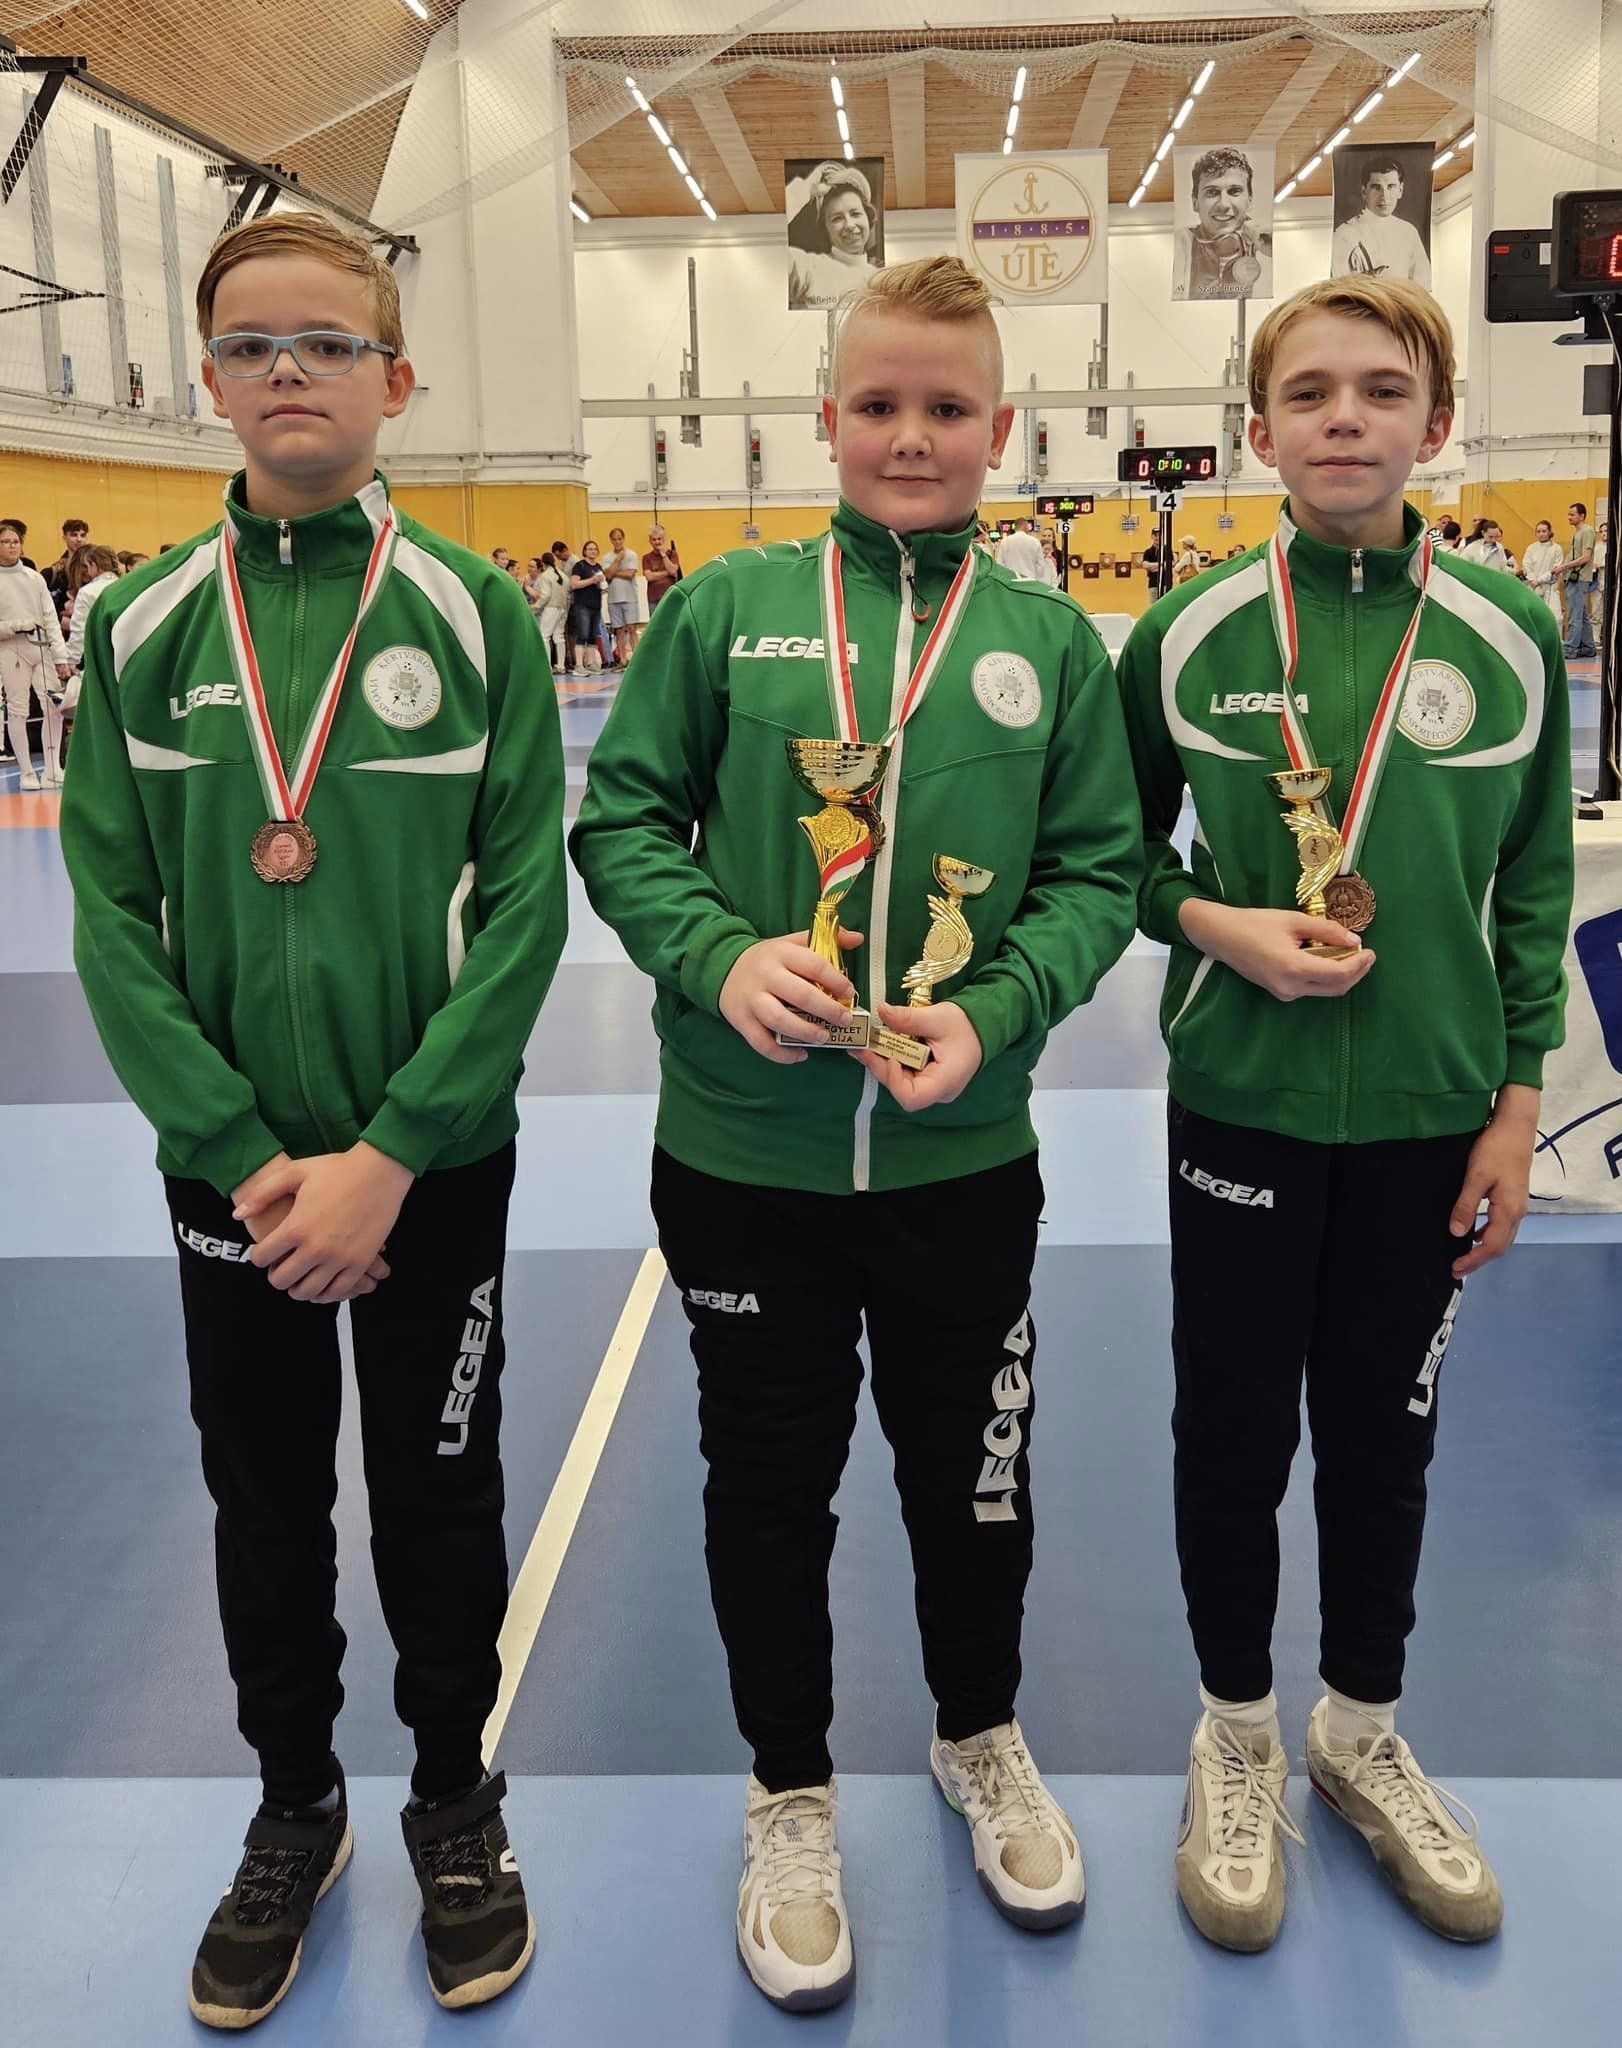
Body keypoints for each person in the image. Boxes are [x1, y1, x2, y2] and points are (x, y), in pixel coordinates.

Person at [572, 254, 1141, 2014]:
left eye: (945, 407)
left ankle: (978, 1734)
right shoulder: (723, 612)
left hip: (960, 1163)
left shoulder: (1049, 644)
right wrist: (716, 953)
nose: (911, 434)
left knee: (975, 1478)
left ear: (1000, 430)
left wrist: (1002, 1006)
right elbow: (623, 825)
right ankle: (789, 1791)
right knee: (767, 1487)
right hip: (745, 1164)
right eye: (879, 403)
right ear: (823, 418)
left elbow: (1099, 870)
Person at [59, 210, 568, 2029]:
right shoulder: (136, 628)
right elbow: (110, 914)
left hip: (431, 1169)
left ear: (395, 380)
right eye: (254, 344)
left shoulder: (476, 615)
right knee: (261, 1497)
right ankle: (295, 1804)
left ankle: (452, 1795)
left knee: (441, 1494)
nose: (291, 370)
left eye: (330, 343)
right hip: (240, 1179)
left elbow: (528, 911)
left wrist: (396, 1149)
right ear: (207, 379)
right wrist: (236, 1148)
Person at [1116, 276, 1571, 1957]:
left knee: (1385, 1443)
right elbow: (1106, 863)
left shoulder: (1508, 634)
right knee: (1232, 1437)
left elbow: (1533, 889)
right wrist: (1213, 926)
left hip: (1431, 1121)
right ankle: (1235, 1733)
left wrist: (1515, 1108)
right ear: (1258, 430)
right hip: (1239, 1108)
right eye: (1307, 392)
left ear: (1434, 424)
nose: (1343, 418)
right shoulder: (1185, 637)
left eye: (1379, 390)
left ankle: (1358, 1729)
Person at [0, 516, 71, 786]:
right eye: (5, 542)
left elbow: (51, 618)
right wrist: (15, 626)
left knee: (53, 707)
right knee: (18, 710)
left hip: (41, 648)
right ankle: (27, 772)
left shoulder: (34, 578)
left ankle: (52, 768)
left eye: (15, 541)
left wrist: (61, 656)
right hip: (10, 649)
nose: (12, 546)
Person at [1172, 147, 1272, 301]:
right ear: (1195, 203)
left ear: (1250, 200)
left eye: (1234, 191)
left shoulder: (1266, 247)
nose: (1223, 204)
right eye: (1212, 192)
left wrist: (1272, 251)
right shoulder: (1179, 245)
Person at [786, 160, 882, 309]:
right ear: (826, 229)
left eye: (855, 214)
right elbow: (771, 254)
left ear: (868, 218)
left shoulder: (882, 280)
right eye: (837, 218)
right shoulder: (809, 268)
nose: (849, 225)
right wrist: (806, 188)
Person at [1331, 158, 1431, 288]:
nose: (1384, 196)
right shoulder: (1344, 235)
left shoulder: (1408, 231)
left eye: (1391, 186)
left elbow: (1423, 284)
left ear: (1400, 190)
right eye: (1376, 187)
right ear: (1364, 192)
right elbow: (1338, 289)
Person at [1561, 500, 1597, 658]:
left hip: (1579, 578)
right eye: (1569, 514)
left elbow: (1585, 557)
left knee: (1574, 616)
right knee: (1582, 615)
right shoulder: (1578, 533)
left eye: (1572, 514)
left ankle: (1570, 649)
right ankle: (1589, 647)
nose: (1569, 517)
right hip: (1574, 577)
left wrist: (1564, 567)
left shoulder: (1587, 532)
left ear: (1582, 516)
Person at [601, 525, 641, 665]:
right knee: (619, 630)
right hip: (613, 599)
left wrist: (614, 572)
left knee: (632, 628)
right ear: (611, 540)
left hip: (630, 597)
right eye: (614, 539)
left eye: (619, 539)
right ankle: (623, 660)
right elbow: (607, 575)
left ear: (623, 539)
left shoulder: (631, 555)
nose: (617, 542)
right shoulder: (607, 557)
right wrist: (618, 560)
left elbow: (630, 574)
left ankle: (636, 660)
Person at [568, 538, 607, 673]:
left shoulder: (598, 567)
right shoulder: (580, 566)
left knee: (592, 636)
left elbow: (599, 584)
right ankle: (579, 665)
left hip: (596, 605)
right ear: (584, 551)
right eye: (590, 549)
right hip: (582, 605)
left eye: (595, 549)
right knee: (582, 634)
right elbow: (574, 584)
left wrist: (602, 586)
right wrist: (592, 580)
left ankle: (590, 664)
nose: (593, 551)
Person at [534, 541, 572, 672]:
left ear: (543, 563)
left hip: (551, 608)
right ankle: (561, 666)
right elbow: (568, 595)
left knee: (544, 636)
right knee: (559, 637)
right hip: (562, 608)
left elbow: (545, 596)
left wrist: (535, 606)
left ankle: (547, 666)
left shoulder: (545, 576)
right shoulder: (563, 575)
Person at [1521, 517, 1565, 627]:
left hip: (1550, 587)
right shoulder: (1531, 548)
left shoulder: (1557, 548)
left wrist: (1540, 580)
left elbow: (1556, 568)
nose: (1541, 534)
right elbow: (1527, 565)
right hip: (1534, 586)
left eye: (1544, 531)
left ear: (1549, 532)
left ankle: (1556, 638)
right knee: (1534, 618)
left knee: (1556, 618)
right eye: (1538, 531)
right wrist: (1533, 580)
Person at [643, 525, 681, 610]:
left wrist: (664, 555)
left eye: (659, 539)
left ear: (663, 540)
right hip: (653, 599)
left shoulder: (672, 554)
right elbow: (649, 577)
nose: (657, 542)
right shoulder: (646, 558)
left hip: (670, 596)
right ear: (650, 541)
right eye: (654, 539)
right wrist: (667, 573)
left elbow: (673, 571)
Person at [997, 516, 1045, 580]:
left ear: (1015, 527)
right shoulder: (1035, 541)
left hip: (1011, 580)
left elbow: (999, 564)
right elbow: (1040, 566)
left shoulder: (1004, 541)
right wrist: (1036, 578)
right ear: (1026, 526)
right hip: (1030, 580)